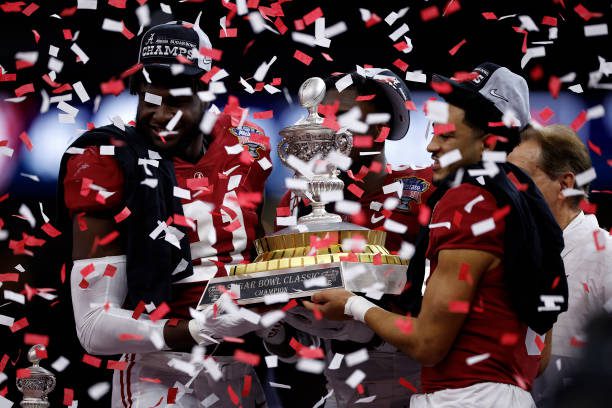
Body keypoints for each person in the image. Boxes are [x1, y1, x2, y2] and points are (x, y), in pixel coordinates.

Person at [303, 62, 569, 407]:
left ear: (487, 143)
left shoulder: (465, 199)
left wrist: (352, 304)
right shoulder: (525, 202)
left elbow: (428, 344)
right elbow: (541, 351)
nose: (430, 147)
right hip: (500, 390)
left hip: (463, 395)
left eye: (445, 136)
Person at [57, 20, 271, 407]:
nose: (160, 115)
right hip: (161, 368)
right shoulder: (107, 157)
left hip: (242, 367)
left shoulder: (248, 144)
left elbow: (264, 250)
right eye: (150, 99)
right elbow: (92, 326)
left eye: (176, 100)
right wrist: (195, 328)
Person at [264, 68, 434, 407]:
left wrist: (365, 323)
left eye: (342, 116)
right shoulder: (299, 201)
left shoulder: (423, 192)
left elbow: (445, 314)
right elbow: (299, 352)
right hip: (338, 387)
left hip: (417, 383)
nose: (327, 128)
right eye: (320, 115)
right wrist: (274, 328)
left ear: (382, 126)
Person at [508, 124, 612, 406]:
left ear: (565, 185)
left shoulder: (607, 256)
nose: (509, 190)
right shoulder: (506, 250)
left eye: (522, 180)